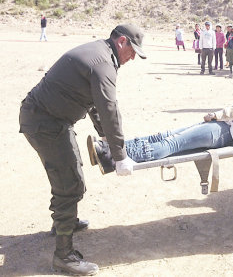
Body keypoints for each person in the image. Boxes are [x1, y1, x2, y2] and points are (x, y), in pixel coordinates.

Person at [19, 24, 147, 275]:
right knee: (70, 185)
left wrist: (105, 138)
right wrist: (120, 156)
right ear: (121, 42)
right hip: (46, 123)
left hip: (47, 118)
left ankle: (65, 222)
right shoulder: (103, 63)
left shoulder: (100, 53)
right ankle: (64, 256)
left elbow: (95, 104)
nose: (133, 57)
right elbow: (110, 109)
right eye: (132, 51)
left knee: (70, 175)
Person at [87, 93, 233, 171]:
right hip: (230, 133)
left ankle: (110, 155)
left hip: (225, 132)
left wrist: (216, 114)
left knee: (171, 142)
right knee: (165, 137)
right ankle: (108, 149)